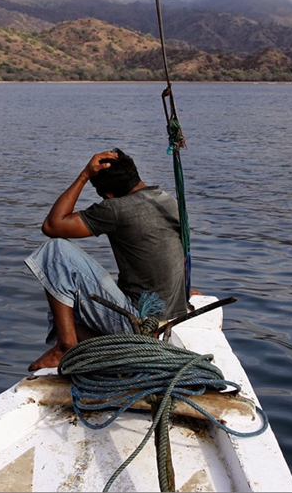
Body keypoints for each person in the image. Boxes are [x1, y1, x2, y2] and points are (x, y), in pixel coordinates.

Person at [24, 148, 188, 371]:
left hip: (141, 326)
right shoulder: (166, 200)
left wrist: (84, 176)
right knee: (65, 298)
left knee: (55, 252)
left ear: (108, 195)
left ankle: (65, 347)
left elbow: (52, 226)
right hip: (167, 319)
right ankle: (100, 349)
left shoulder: (116, 208)